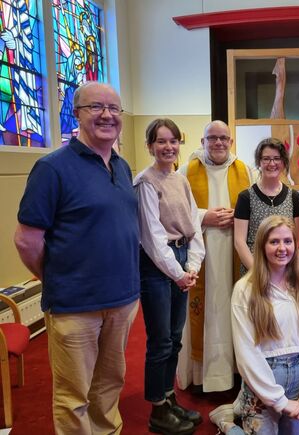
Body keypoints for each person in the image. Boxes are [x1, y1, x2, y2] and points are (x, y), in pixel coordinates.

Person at [14, 81, 139, 434]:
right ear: (78, 113)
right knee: (74, 396)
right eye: (95, 107)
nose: (107, 115)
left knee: (109, 384)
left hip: (122, 301)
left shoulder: (122, 166)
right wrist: (58, 276)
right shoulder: (52, 168)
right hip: (75, 305)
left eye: (114, 109)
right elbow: (27, 241)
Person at [218, 215, 299, 435]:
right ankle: (227, 425)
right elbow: (247, 353)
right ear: (262, 246)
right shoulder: (245, 289)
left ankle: (235, 412)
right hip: (262, 379)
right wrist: (278, 401)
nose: (282, 248)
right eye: (274, 241)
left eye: (288, 241)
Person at [134, 119, 205, 434]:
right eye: (161, 142)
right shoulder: (145, 182)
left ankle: (169, 396)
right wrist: (178, 273)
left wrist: (193, 266)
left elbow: (193, 224)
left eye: (173, 141)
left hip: (180, 262)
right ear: (150, 146)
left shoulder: (181, 179)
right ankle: (157, 409)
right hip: (156, 266)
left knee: (175, 339)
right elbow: (150, 237)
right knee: (160, 341)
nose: (168, 147)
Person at [176, 121, 252, 393]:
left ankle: (233, 374)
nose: (218, 143)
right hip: (200, 256)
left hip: (235, 252)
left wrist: (241, 215)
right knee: (203, 314)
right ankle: (200, 377)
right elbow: (173, 211)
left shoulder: (245, 171)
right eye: (212, 138)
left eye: (223, 138)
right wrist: (203, 216)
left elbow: (254, 205)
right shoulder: (186, 171)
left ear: (231, 142)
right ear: (203, 141)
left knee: (233, 310)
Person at [234, 137, 299, 275]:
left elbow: (298, 240)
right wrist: (259, 273)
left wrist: (291, 270)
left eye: (277, 158)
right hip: (254, 271)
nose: (272, 163)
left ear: (283, 163)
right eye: (266, 159)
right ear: (259, 162)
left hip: (286, 271)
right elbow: (239, 241)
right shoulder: (245, 198)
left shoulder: (294, 197)